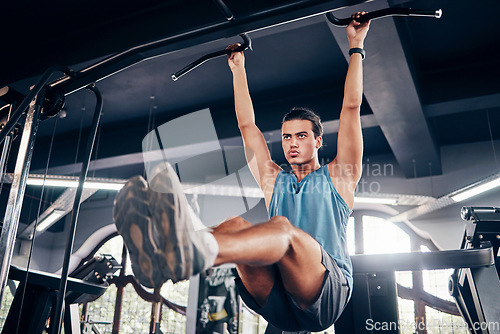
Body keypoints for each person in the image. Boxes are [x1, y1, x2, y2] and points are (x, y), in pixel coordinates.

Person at [113, 12, 369, 333]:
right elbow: (247, 126)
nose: (292, 143)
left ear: (318, 140)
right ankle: (167, 254)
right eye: (287, 136)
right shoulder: (275, 180)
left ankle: (194, 248)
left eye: (301, 136)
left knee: (282, 228)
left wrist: (356, 46)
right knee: (235, 224)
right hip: (278, 298)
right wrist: (238, 70)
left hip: (326, 290)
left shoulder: (340, 176)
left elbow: (351, 107)